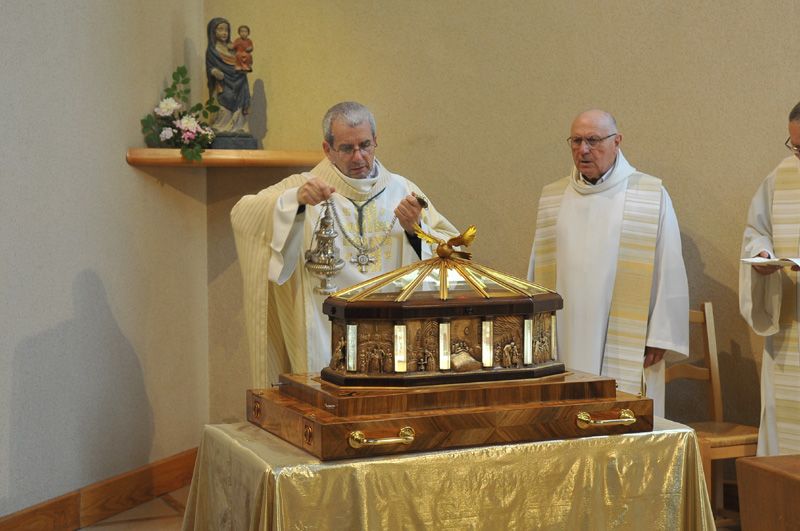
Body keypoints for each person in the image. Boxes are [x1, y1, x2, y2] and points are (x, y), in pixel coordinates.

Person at [232, 101, 459, 386]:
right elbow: (243, 214)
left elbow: (454, 253)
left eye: (365, 145)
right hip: (322, 323)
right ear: (328, 150)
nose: (358, 157)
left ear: (376, 141)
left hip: (391, 325)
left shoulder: (403, 190)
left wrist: (416, 231)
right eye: (347, 148)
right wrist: (294, 203)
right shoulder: (305, 187)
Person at [527, 109, 689, 416]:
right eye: (576, 141)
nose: (583, 150)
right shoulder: (553, 197)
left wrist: (660, 335)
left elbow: (669, 265)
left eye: (593, 140)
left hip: (629, 344)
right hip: (566, 332)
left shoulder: (649, 193)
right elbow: (537, 273)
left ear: (617, 142)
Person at [739, 101, 800, 455]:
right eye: (795, 146)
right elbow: (756, 230)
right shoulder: (783, 176)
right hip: (792, 331)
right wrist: (762, 254)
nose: (798, 156)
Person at [205, 17, 250, 134]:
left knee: (239, 105)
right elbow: (210, 67)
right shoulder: (212, 50)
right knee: (224, 104)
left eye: (226, 30)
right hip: (223, 83)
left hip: (239, 80)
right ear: (213, 31)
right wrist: (214, 71)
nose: (224, 32)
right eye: (220, 29)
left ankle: (238, 128)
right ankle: (222, 127)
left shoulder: (232, 47)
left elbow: (242, 58)